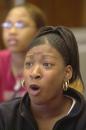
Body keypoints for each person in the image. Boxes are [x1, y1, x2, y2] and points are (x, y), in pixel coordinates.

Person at [0, 26, 86, 130]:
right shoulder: (5, 116)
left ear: (67, 73)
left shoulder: (82, 119)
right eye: (29, 64)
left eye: (47, 64)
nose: (34, 73)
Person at [0, 3, 47, 102]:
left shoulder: (49, 64)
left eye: (20, 25)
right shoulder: (1, 60)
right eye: (8, 24)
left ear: (39, 31)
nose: (12, 31)